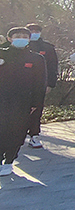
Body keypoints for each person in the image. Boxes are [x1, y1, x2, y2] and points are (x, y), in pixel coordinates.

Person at [0, 27, 47, 176]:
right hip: (2, 99)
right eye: (17, 36)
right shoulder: (2, 54)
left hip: (23, 101)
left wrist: (36, 103)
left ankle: (9, 160)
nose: (21, 38)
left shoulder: (36, 59)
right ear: (9, 38)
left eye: (24, 36)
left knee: (17, 131)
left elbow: (40, 83)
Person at [24, 23, 57, 149]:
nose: (34, 32)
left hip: (39, 84)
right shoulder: (19, 48)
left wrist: (50, 83)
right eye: (31, 30)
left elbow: (53, 66)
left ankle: (34, 135)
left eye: (36, 30)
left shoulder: (47, 48)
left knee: (36, 110)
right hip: (19, 85)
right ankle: (16, 136)